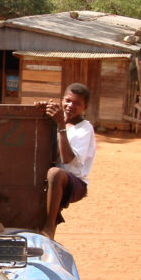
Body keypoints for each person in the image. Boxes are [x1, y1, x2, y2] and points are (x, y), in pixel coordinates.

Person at [34, 83, 96, 240]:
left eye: (77, 103)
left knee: (55, 173)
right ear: (62, 100)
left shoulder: (84, 129)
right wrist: (40, 110)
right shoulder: (55, 121)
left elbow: (68, 160)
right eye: (68, 100)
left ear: (85, 107)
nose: (70, 106)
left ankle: (49, 226)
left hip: (74, 183)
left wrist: (61, 124)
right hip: (50, 180)